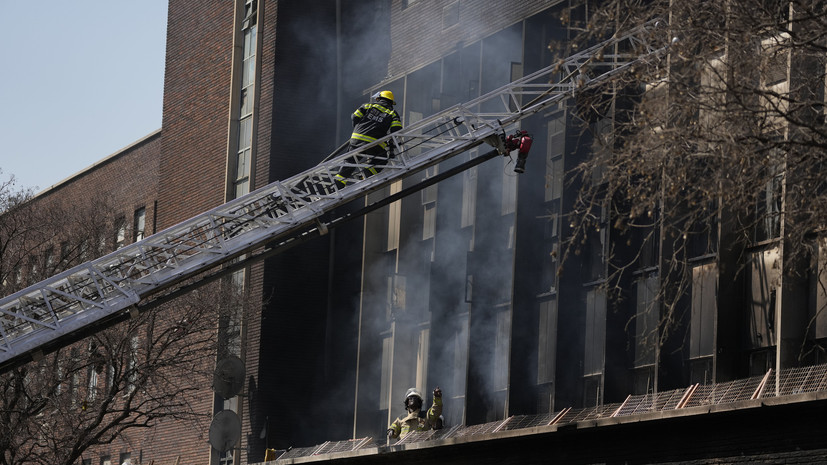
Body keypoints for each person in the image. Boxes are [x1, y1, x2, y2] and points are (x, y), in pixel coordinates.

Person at [335, 90, 403, 185]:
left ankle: (339, 183)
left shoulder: (367, 105)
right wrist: (392, 144)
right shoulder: (392, 113)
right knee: (381, 159)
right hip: (374, 143)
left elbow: (355, 117)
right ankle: (367, 173)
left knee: (350, 161)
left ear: (379, 98)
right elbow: (396, 129)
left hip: (357, 139)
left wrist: (358, 129)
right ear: (391, 102)